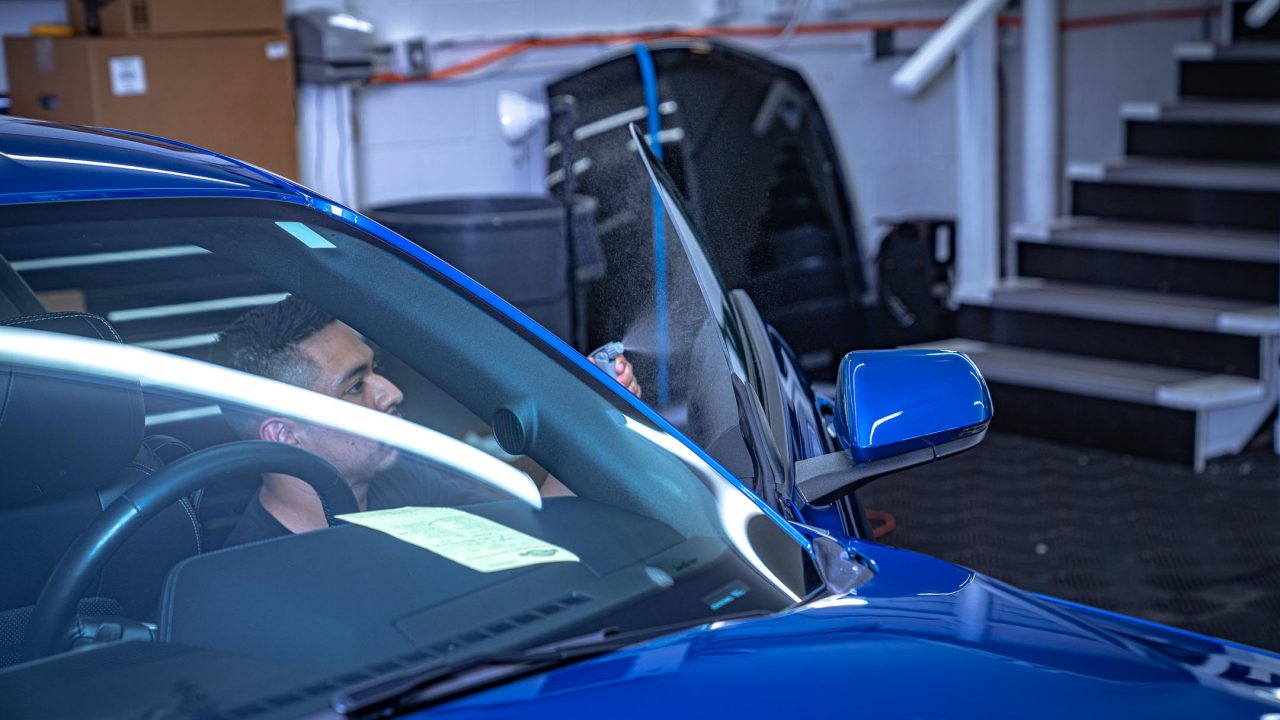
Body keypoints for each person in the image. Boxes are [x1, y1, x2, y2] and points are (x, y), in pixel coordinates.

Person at [213, 296, 640, 547]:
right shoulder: (252, 576)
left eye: (374, 370)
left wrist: (593, 420)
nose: (392, 393)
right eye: (354, 387)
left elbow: (537, 538)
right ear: (285, 436)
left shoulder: (405, 487)